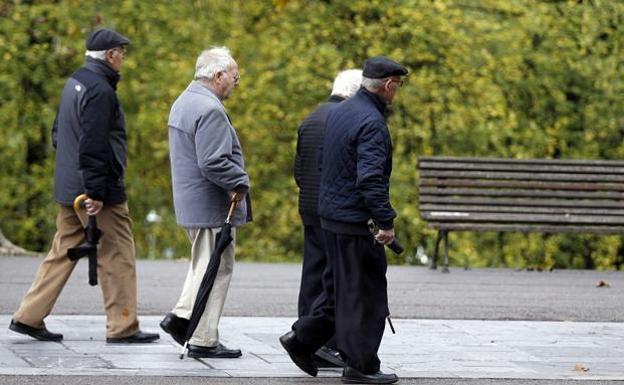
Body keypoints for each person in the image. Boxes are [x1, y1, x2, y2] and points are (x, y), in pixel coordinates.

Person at [9, 28, 159, 344]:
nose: (124, 58)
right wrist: (95, 191)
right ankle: (123, 326)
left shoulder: (75, 82)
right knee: (117, 253)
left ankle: (29, 316)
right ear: (110, 55)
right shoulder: (101, 91)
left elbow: (58, 134)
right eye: (122, 52)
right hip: (94, 190)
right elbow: (93, 145)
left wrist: (74, 178)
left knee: (63, 250)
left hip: (69, 186)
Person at [279, 56, 407, 385]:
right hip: (354, 222)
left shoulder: (340, 113)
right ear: (389, 85)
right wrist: (385, 222)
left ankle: (302, 339)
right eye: (399, 86)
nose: (397, 93)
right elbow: (370, 180)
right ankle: (361, 365)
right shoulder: (372, 123)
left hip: (330, 218)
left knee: (338, 291)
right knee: (365, 294)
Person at [160, 47, 251, 359]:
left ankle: (182, 317)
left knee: (204, 264)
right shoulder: (209, 109)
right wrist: (240, 181)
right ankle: (201, 336)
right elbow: (213, 162)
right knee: (217, 267)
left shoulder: (184, 101)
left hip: (192, 203)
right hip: (210, 205)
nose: (236, 83)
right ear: (218, 76)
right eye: (234, 77)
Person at [293, 69, 362, 368]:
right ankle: (323, 343)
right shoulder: (345, 120)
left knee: (312, 274)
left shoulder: (311, 117)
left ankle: (305, 337)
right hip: (333, 211)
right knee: (335, 279)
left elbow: (299, 168)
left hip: (308, 205)